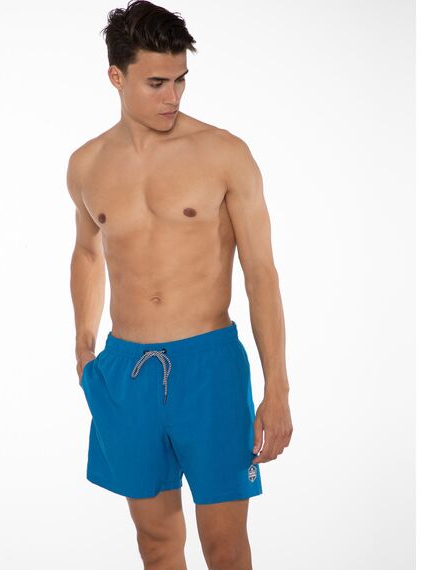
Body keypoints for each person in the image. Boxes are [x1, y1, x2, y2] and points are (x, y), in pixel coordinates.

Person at [67, 1, 293, 568]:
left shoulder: (223, 153)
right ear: (116, 76)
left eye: (181, 80)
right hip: (125, 371)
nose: (173, 96)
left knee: (226, 547)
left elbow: (261, 273)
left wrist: (278, 389)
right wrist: (83, 346)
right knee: (156, 544)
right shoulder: (87, 164)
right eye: (156, 83)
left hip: (209, 367)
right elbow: (87, 253)